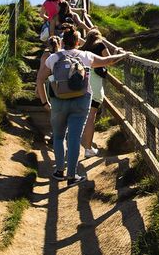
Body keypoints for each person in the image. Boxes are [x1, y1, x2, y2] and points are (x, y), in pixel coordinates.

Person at [36, 24, 131, 187]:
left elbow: (40, 80)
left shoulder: (54, 58)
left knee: (59, 137)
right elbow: (108, 61)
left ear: (63, 42)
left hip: (58, 101)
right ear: (78, 42)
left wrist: (45, 102)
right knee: (73, 137)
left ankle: (59, 171)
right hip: (81, 101)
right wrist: (123, 54)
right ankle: (72, 176)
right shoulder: (86, 55)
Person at [80, 28, 113, 158]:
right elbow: (109, 59)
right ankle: (88, 149)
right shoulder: (100, 45)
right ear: (99, 37)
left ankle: (69, 146)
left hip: (81, 86)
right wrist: (120, 53)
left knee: (78, 116)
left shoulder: (82, 49)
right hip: (94, 86)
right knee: (91, 116)